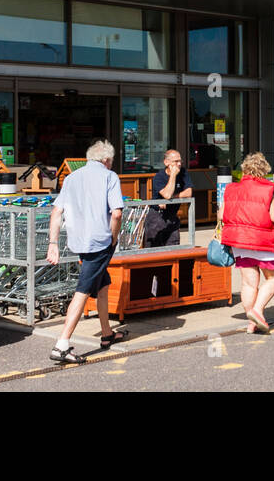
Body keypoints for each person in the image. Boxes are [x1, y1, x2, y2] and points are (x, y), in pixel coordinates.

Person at [46, 139, 127, 364]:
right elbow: (117, 214)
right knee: (83, 290)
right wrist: (113, 237)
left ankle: (107, 334)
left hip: (79, 241)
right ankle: (61, 344)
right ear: (107, 160)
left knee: (102, 284)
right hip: (99, 242)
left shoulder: (71, 178)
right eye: (111, 161)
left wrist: (53, 243)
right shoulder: (110, 176)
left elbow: (56, 212)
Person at [220, 151, 274, 333]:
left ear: (245, 170)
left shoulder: (231, 189)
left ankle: (252, 323)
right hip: (264, 243)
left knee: (249, 283)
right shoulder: (266, 190)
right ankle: (257, 310)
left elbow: (221, 215)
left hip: (239, 243)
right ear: (264, 171)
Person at [145, 149, 193, 247]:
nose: (179, 164)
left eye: (180, 161)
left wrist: (171, 199)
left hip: (172, 216)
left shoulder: (183, 173)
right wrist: (173, 176)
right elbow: (167, 194)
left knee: (173, 247)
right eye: (176, 161)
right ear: (166, 162)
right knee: (154, 250)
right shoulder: (159, 177)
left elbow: (189, 192)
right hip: (157, 216)